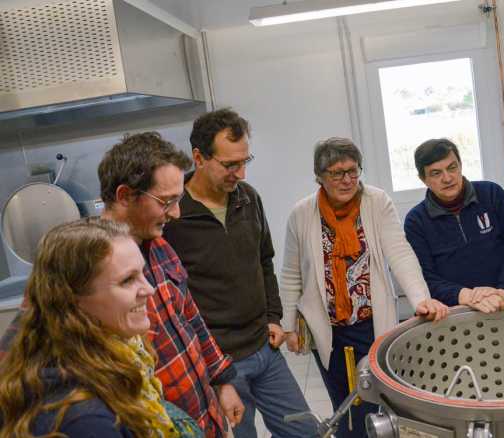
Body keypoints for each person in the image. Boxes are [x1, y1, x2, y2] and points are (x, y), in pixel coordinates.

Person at [0, 132, 244, 438]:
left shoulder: (160, 246)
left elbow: (191, 320)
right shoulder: (79, 262)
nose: (177, 213)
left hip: (198, 418)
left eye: (178, 200)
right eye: (167, 201)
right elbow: (20, 361)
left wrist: (221, 381)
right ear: (126, 195)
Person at [280, 137, 449, 438]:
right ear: (320, 176)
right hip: (328, 330)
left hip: (372, 325)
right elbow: (292, 274)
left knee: (380, 402)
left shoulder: (376, 201)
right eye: (337, 173)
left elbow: (400, 253)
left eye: (353, 171)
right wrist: (289, 325)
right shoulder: (302, 213)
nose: (347, 180)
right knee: (344, 407)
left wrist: (421, 300)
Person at [163, 108, 316, 438]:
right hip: (218, 362)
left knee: (306, 432)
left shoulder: (248, 198)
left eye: (246, 160)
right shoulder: (173, 216)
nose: (241, 173)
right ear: (199, 157)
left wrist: (275, 317)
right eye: (230, 164)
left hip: (265, 348)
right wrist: (211, 367)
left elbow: (264, 261)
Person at [0, 218, 202, 437]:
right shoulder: (86, 421)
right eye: (127, 280)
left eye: (142, 273)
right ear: (72, 299)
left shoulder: (111, 354)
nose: (149, 289)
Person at [404, 138, 504, 310]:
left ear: (460, 166)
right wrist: (467, 296)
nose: (447, 178)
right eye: (436, 173)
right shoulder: (416, 221)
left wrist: (503, 291)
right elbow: (426, 278)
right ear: (424, 179)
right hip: (457, 313)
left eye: (452, 168)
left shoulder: (491, 194)